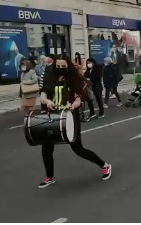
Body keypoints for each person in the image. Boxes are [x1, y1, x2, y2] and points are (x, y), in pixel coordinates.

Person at [38, 55, 111, 188]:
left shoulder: (74, 79)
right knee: (47, 147)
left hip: (70, 117)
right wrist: (47, 101)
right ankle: (50, 176)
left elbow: (78, 99)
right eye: (58, 66)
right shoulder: (49, 77)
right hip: (52, 116)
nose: (60, 69)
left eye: (63, 66)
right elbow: (42, 95)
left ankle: (104, 165)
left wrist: (73, 105)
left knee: (78, 148)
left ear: (68, 66)